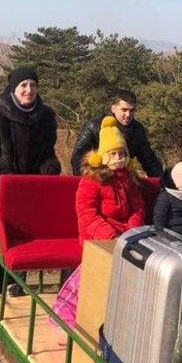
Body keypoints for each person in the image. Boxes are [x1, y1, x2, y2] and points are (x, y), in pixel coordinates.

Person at [0, 66, 61, 297]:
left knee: (24, 241)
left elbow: (48, 153)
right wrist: (4, 174)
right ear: (14, 88)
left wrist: (50, 166)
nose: (28, 90)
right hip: (1, 189)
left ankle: (16, 289)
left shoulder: (47, 117)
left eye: (32, 85)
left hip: (31, 192)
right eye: (23, 85)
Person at [52, 116, 146, 329]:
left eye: (122, 154)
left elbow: (137, 206)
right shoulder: (92, 180)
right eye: (113, 154)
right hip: (98, 236)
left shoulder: (128, 179)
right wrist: (110, 234)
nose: (119, 159)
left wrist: (132, 230)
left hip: (125, 235)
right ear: (103, 157)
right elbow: (87, 212)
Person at [70, 90, 163, 177]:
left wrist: (162, 183)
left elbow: (150, 161)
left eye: (132, 110)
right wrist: (86, 181)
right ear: (113, 108)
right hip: (98, 179)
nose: (128, 114)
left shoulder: (137, 130)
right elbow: (78, 157)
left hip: (123, 180)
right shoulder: (94, 126)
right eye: (124, 110)